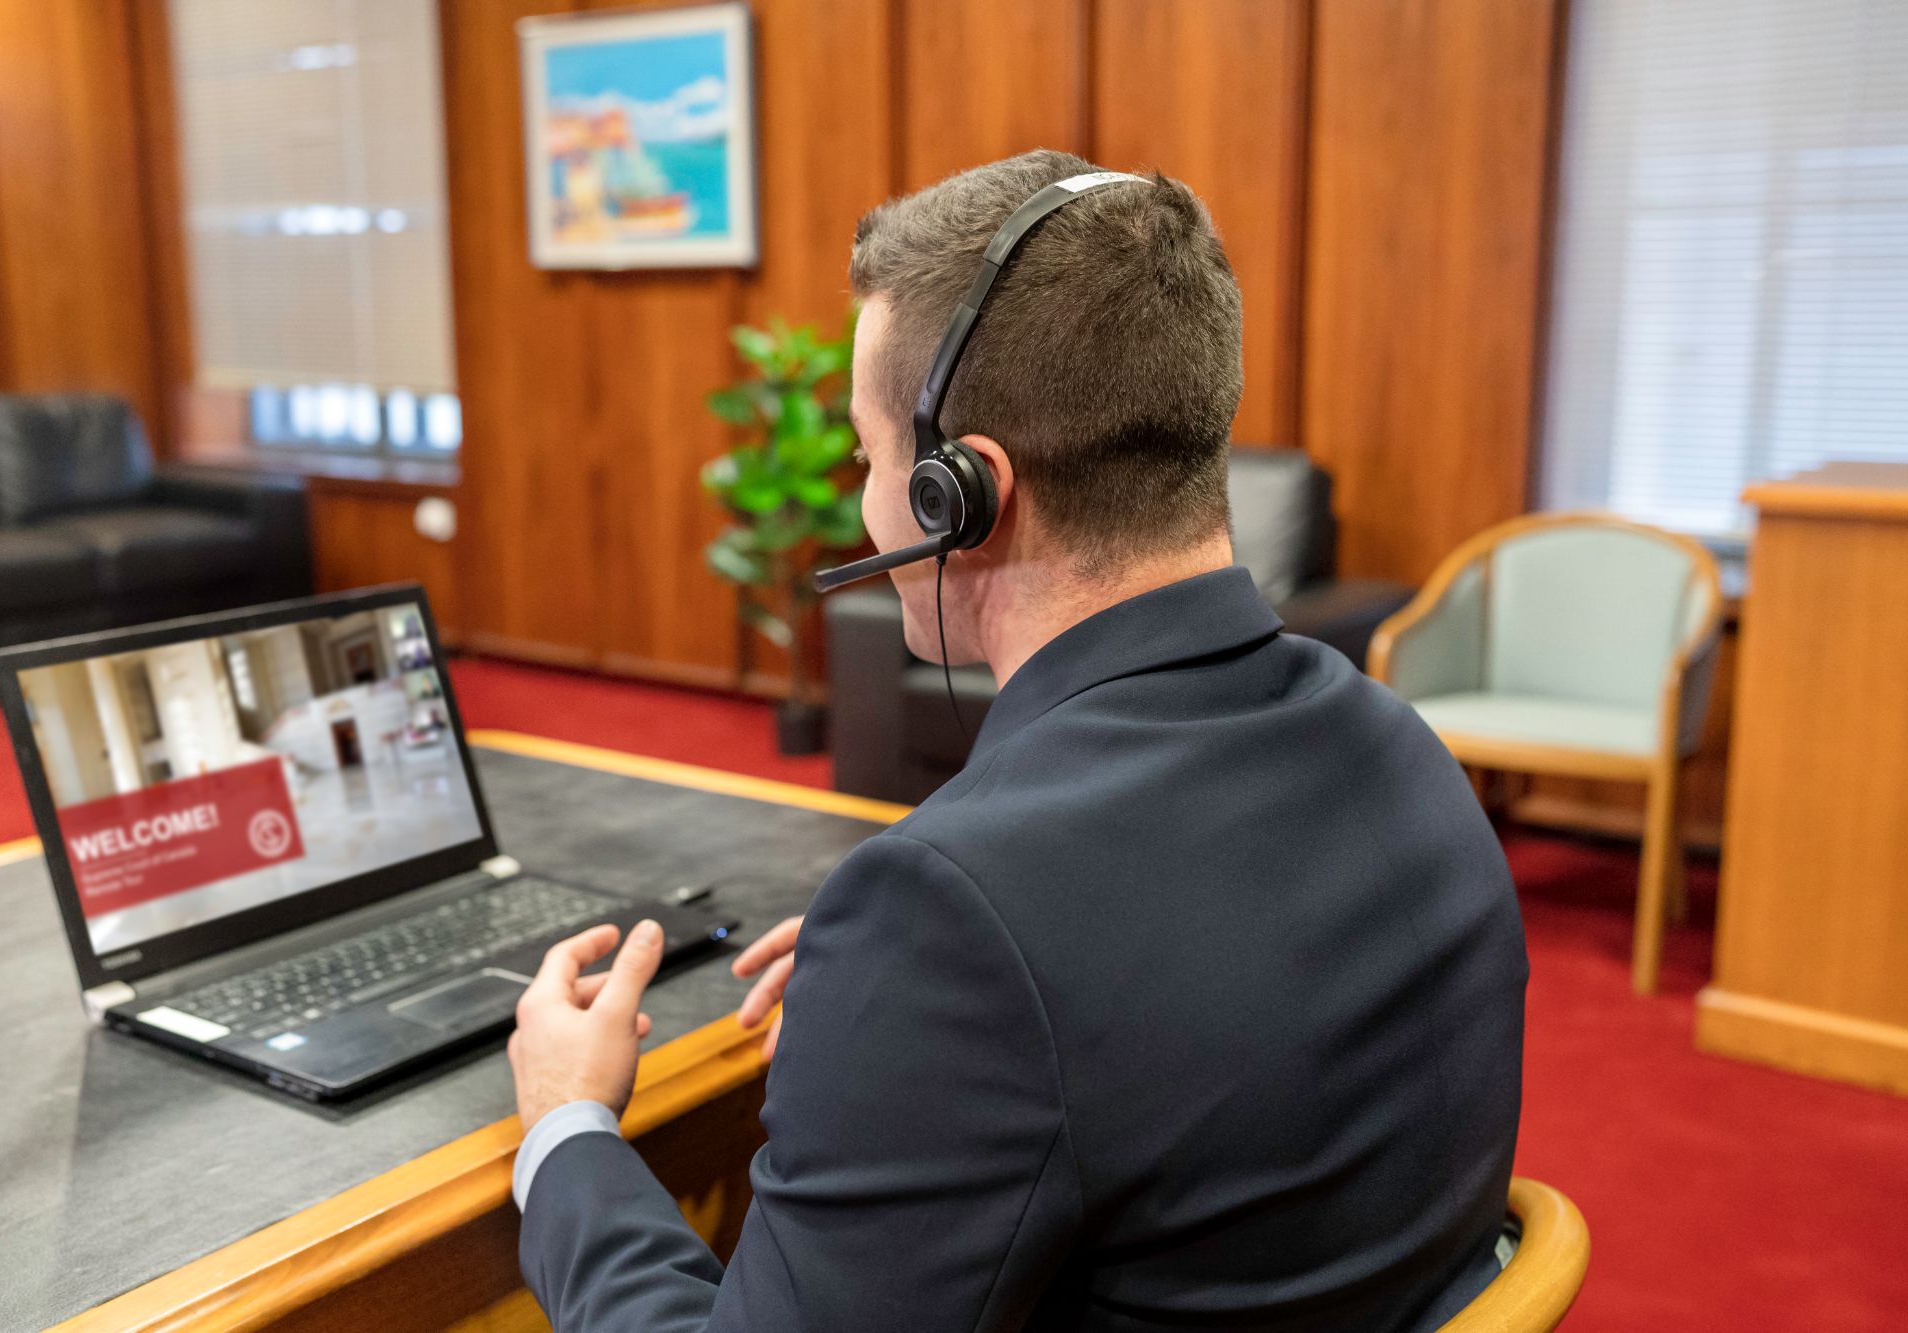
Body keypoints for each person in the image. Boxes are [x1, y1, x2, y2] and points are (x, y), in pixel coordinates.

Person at [505, 149, 1528, 1332]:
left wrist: (567, 1126)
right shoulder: (1401, 748)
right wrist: (905, 1015)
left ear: (960, 495)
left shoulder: (958, 918)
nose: (863, 498)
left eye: (868, 455)